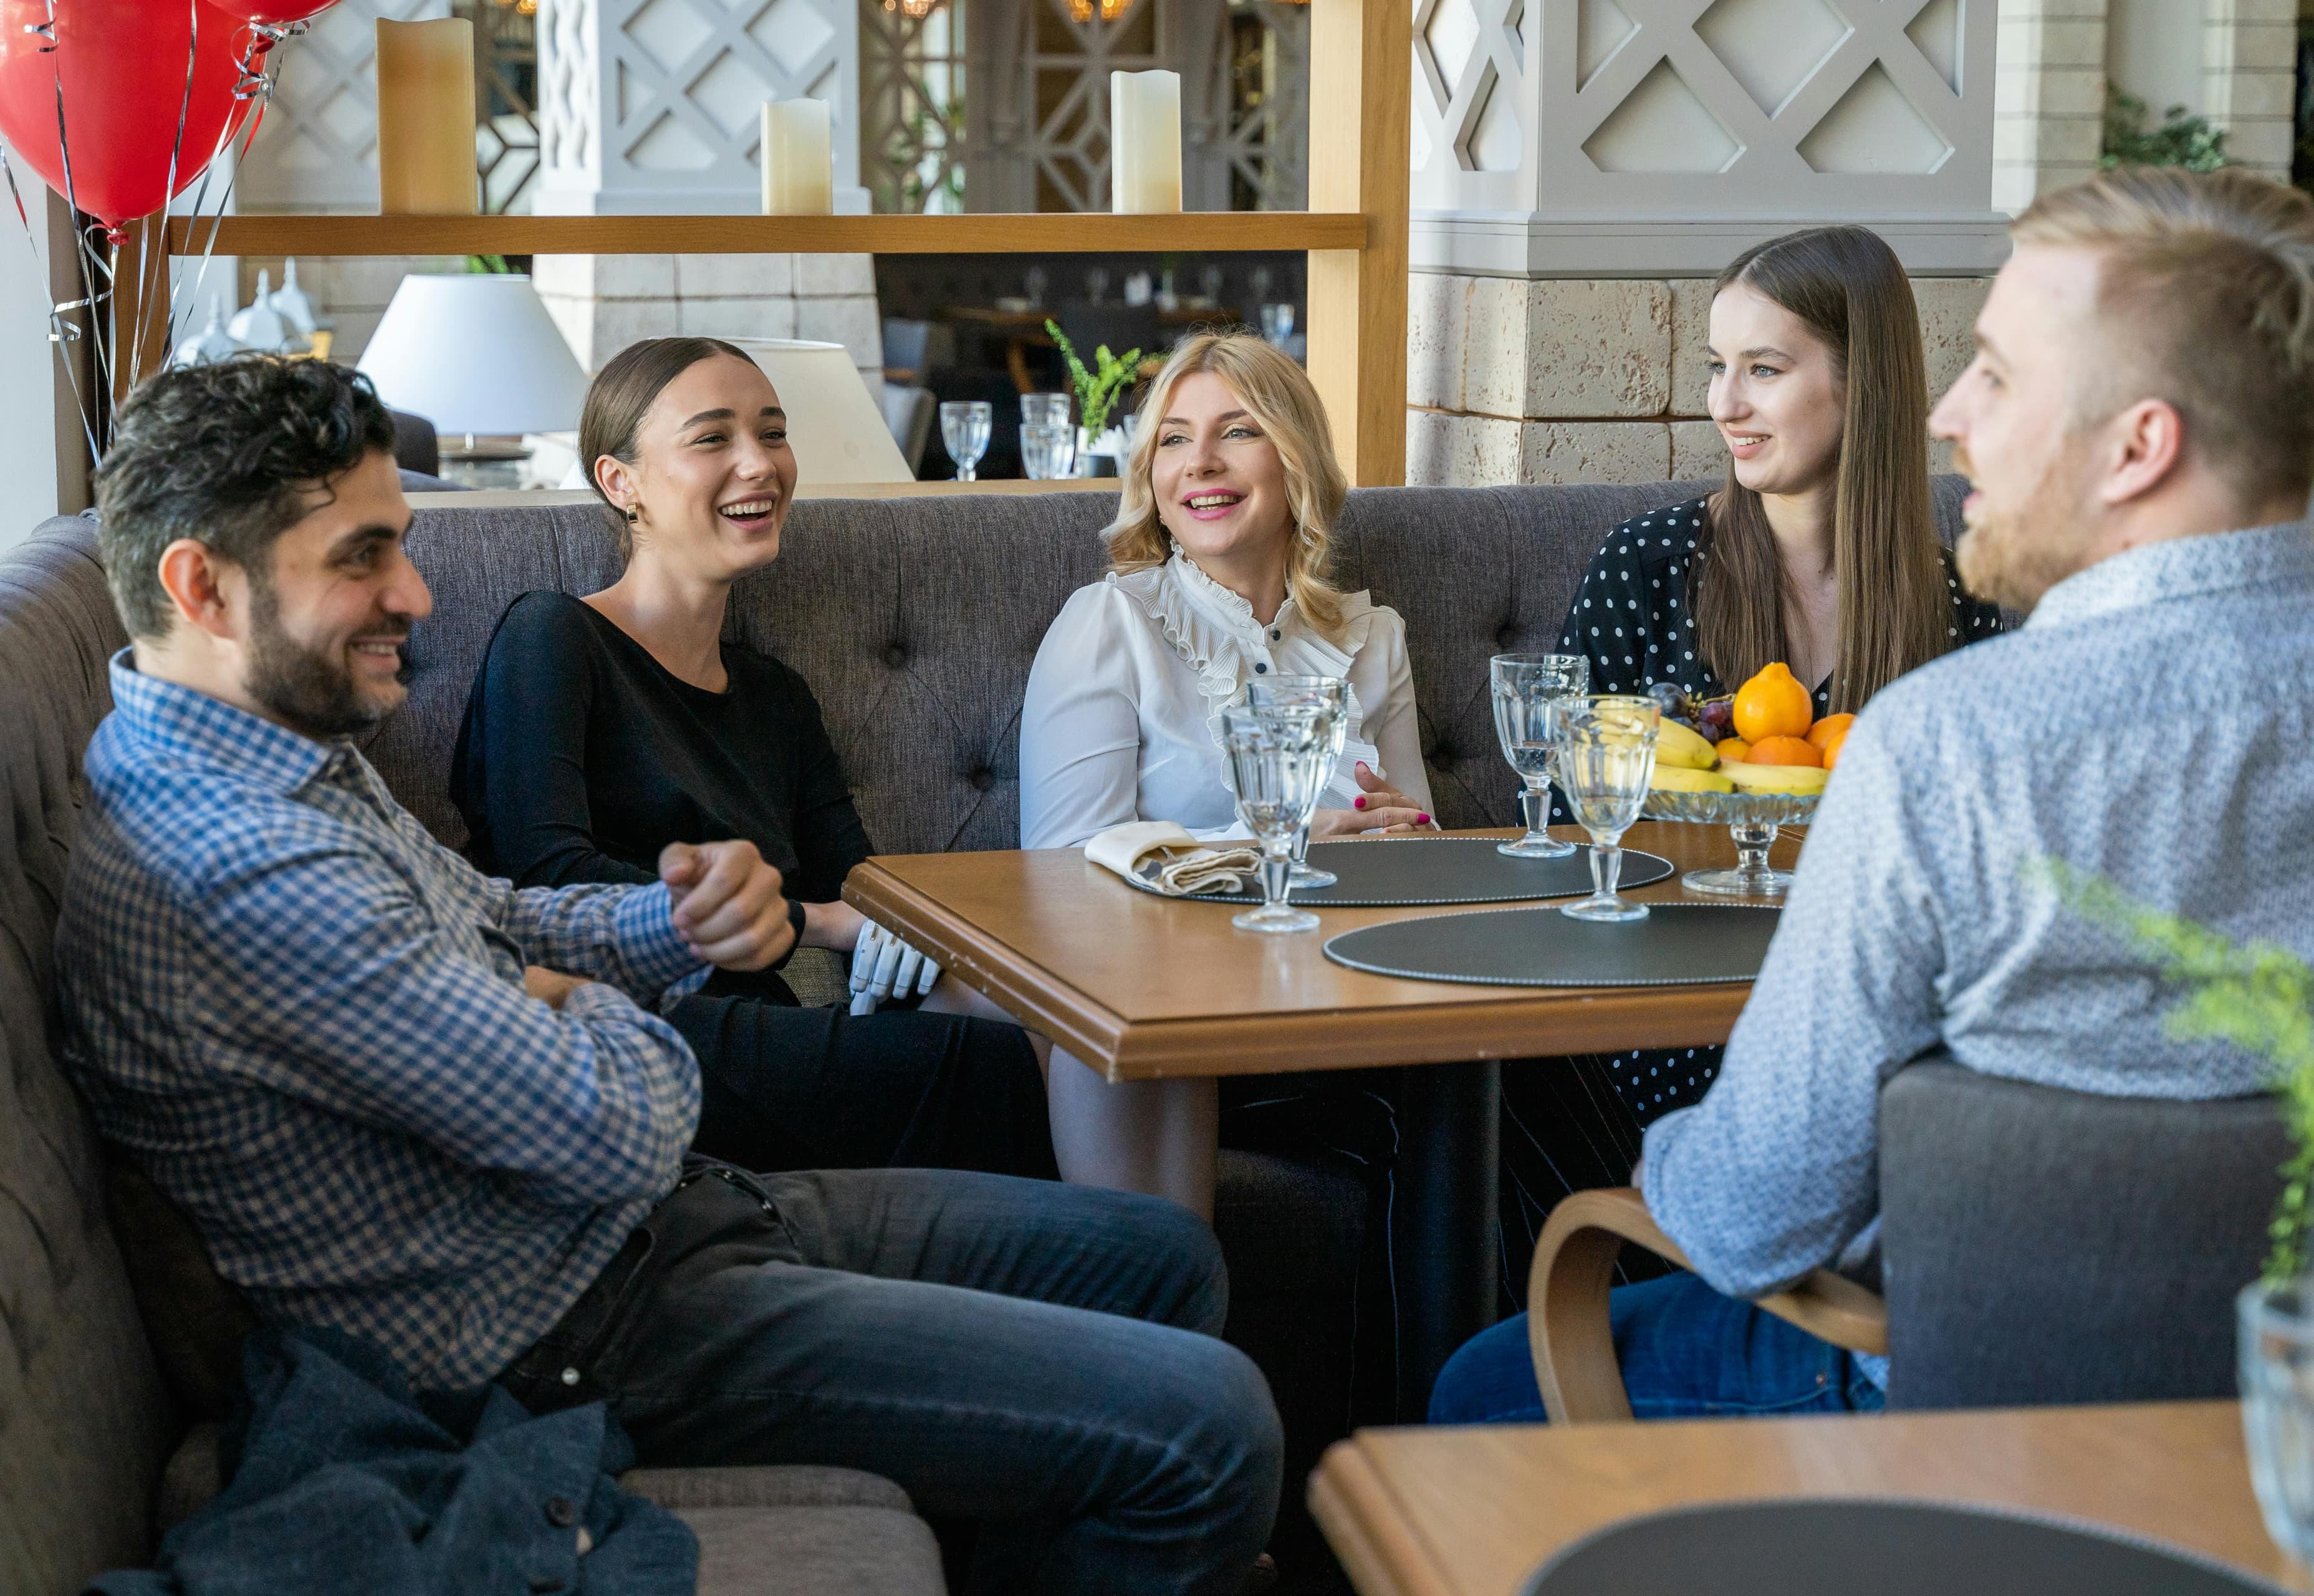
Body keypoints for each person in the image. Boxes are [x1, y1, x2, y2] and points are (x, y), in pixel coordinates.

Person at [56, 354, 1281, 1595]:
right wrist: (576, 1002)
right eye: (362, 556)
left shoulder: (273, 754)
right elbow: (620, 1123)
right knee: (1213, 1423)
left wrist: (666, 925)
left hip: (656, 1226)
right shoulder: (237, 865)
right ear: (201, 585)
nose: (417, 593)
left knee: (1161, 1254)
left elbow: (497, 909)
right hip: (571, 1326)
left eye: (403, 545)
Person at [1433, 166, 2314, 1423]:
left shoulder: (1950, 745)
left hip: (1977, 1409)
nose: (1948, 413)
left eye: (1997, 374)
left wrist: (1666, 1166)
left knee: (1480, 1388)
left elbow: (1749, 1215)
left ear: (2140, 444)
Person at [1500, 225, 2009, 1301]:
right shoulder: (1650, 564)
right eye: (1717, 369)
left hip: (1864, 1033)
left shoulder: (1966, 595)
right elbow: (1556, 810)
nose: (1726, 403)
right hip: (1659, 1017)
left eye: (1764, 370)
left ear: (1863, 382)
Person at [453, 337, 1054, 1183]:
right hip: (627, 1028)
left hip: (774, 1019)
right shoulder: (553, 635)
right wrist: (821, 923)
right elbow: (545, 874)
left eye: (772, 433)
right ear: (620, 482)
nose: (759, 464)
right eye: (712, 438)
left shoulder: (775, 695)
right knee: (993, 1067)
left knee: (1046, 1024)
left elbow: (862, 886)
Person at [1017, 331, 1436, 1220]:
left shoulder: (1373, 638)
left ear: (1297, 462)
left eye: (1237, 431)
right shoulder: (1110, 623)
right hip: (1174, 1004)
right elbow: (1058, 877)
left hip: (1346, 997)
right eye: (1172, 439)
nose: (1199, 461)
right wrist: (1272, 847)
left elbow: (1425, 861)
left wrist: (1403, 839)